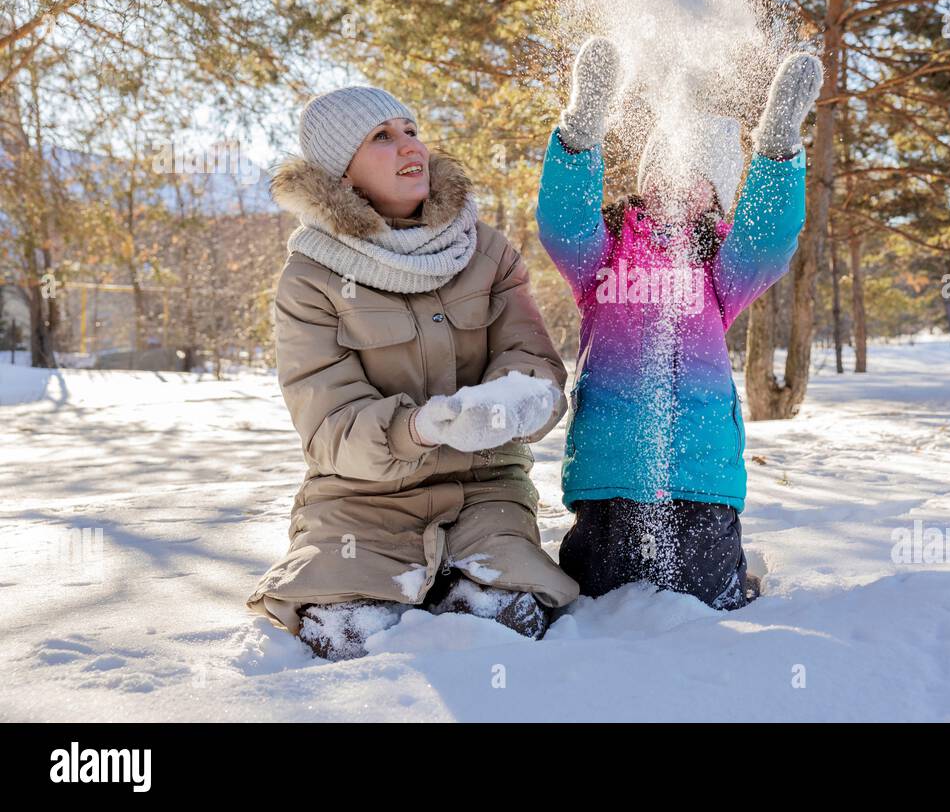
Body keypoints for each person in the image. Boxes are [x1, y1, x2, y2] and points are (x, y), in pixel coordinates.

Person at [246, 86, 579, 659]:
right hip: (359, 500)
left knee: (508, 618)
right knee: (347, 632)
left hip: (484, 489)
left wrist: (518, 401)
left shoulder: (487, 251)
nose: (411, 146)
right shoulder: (310, 279)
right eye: (382, 136)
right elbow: (329, 428)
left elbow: (533, 360)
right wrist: (423, 427)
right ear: (341, 175)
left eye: (411, 129)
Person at [536, 38, 823, 610]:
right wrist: (579, 135)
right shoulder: (606, 251)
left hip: (701, 478)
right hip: (607, 476)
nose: (683, 185)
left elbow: (767, 243)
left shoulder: (720, 265)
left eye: (702, 179)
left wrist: (776, 152)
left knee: (702, 607)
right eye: (672, 170)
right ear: (647, 176)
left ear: (718, 198)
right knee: (596, 606)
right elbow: (562, 222)